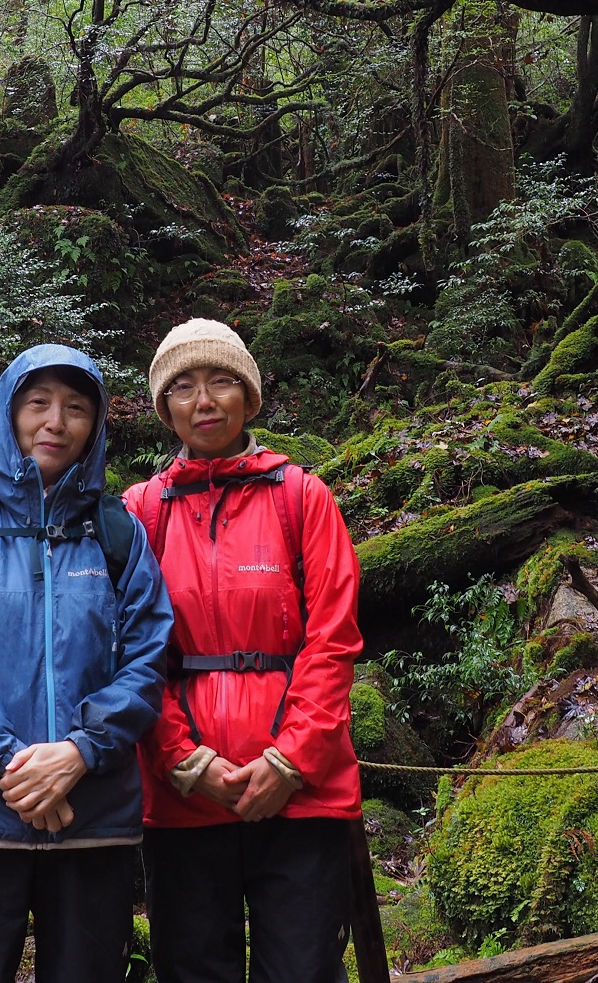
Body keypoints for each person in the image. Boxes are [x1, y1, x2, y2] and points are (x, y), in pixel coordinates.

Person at [0, 344, 172, 983]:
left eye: (76, 408)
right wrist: (12, 765)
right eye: (38, 403)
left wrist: (77, 752)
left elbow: (148, 655)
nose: (56, 422)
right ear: (7, 413)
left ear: (94, 427)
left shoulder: (118, 532)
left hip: (91, 816)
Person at [124, 318, 364, 983]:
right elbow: (132, 652)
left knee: (304, 967)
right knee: (193, 967)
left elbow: (333, 637)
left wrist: (292, 759)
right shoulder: (142, 512)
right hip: (185, 796)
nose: (204, 401)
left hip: (301, 791)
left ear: (249, 398)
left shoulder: (302, 498)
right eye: (184, 387)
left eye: (221, 381)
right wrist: (181, 760)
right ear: (164, 407)